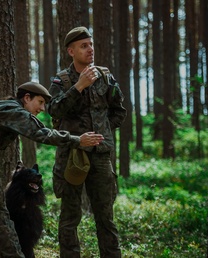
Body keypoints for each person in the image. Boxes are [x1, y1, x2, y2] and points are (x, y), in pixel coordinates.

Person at [0, 82, 105, 258]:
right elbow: (43, 133)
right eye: (40, 102)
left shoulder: (0, 107)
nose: (43, 108)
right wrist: (77, 140)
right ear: (27, 98)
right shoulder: (16, 112)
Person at [47, 26, 127, 257]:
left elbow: (119, 111)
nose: (90, 49)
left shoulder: (105, 77)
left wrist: (101, 132)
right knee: (70, 217)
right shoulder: (61, 80)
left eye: (91, 44)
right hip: (72, 155)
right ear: (71, 51)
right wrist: (78, 87)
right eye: (84, 46)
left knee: (106, 217)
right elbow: (54, 110)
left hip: (101, 157)